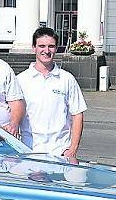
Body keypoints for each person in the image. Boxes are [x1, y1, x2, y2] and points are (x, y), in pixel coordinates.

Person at [17, 27, 87, 162]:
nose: (46, 51)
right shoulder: (20, 80)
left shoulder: (66, 79)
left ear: (56, 48)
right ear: (34, 48)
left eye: (51, 46)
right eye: (41, 46)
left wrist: (72, 149)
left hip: (60, 152)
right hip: (29, 152)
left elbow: (77, 114)